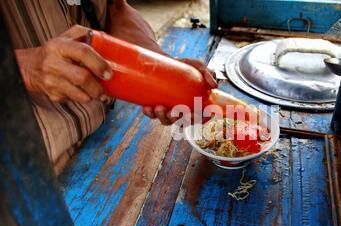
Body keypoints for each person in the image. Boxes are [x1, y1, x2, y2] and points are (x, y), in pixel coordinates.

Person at [0, 0, 217, 174]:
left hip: (106, 130)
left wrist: (163, 66)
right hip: (36, 170)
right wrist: (29, 67)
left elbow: (116, 9)